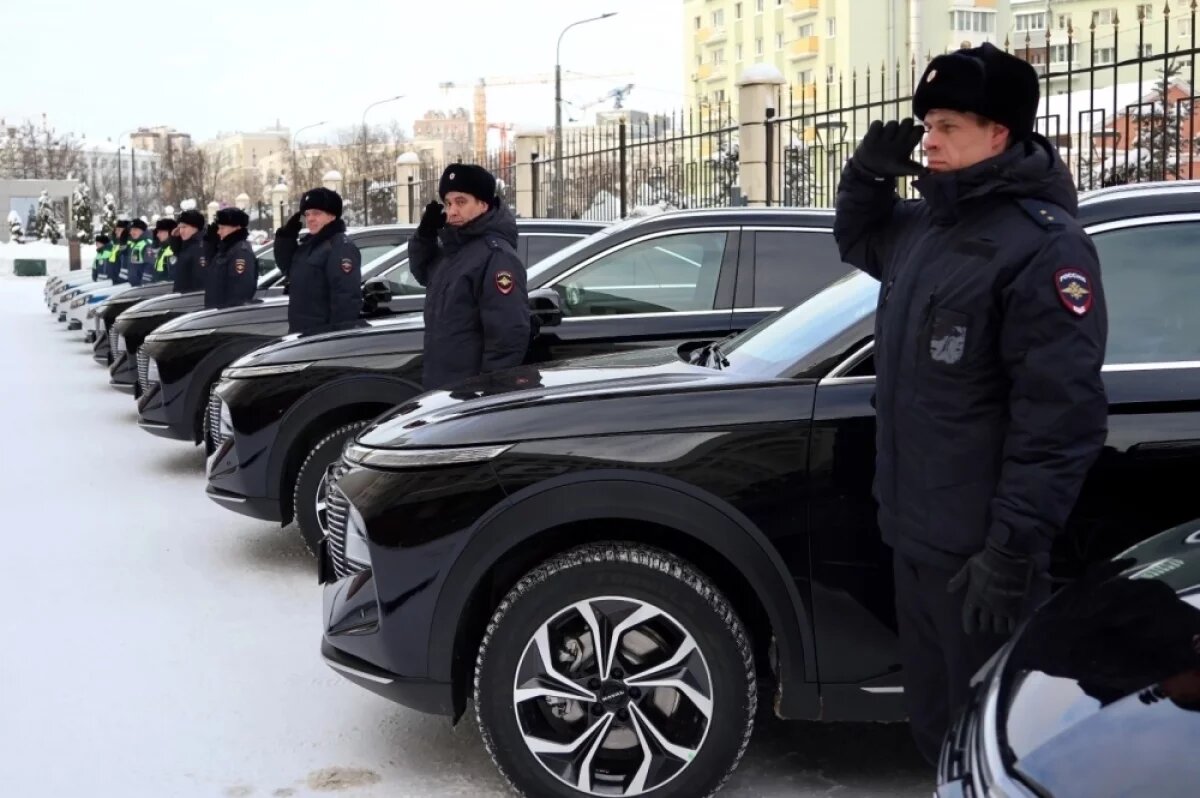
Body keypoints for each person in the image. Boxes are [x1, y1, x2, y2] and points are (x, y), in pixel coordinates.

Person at [832, 42, 1109, 764]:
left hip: (982, 562)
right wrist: (865, 174)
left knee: (992, 743)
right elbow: (858, 237)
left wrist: (1011, 549)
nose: (929, 140)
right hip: (914, 541)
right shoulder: (928, 228)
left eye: (949, 126)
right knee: (933, 729)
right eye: (927, 125)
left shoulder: (1044, 249)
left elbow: (1060, 418)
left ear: (1001, 134)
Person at [409, 163, 529, 390]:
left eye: (461, 202)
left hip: (471, 393)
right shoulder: (455, 251)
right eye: (448, 203)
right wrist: (424, 235)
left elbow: (507, 335)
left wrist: (488, 392)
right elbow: (423, 273)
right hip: (444, 386)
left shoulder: (496, 256)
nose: (452, 211)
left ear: (483, 204)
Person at [273, 187, 362, 334]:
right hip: (301, 334)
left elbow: (346, 299)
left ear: (332, 216)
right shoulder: (309, 245)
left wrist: (334, 339)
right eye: (307, 214)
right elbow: (288, 268)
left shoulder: (340, 247)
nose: (310, 219)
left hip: (321, 338)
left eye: (316, 213)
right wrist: (286, 237)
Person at [203, 207, 258, 309]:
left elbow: (240, 292)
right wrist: (210, 242)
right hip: (216, 313)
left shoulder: (241, 252)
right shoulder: (226, 250)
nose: (218, 232)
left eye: (222, 228)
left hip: (226, 316)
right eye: (218, 228)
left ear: (237, 227)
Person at [169, 209, 207, 294]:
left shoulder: (200, 248)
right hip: (183, 299)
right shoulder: (187, 245)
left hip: (192, 301)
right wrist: (174, 239)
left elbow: (200, 281)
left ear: (196, 227)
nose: (181, 231)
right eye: (179, 227)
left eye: (184, 227)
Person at [126, 218, 153, 287]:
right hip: (134, 284)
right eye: (131, 230)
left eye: (135, 230)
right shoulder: (133, 244)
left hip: (142, 286)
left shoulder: (147, 244)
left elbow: (150, 264)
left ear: (142, 231)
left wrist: (145, 282)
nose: (132, 232)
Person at [149, 218, 177, 283]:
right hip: (159, 289)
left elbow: (173, 278)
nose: (157, 235)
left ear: (170, 232)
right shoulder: (163, 249)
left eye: (160, 232)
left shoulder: (174, 250)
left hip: (166, 290)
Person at [107, 219, 130, 284]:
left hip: (123, 283)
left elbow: (126, 267)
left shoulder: (127, 245)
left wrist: (119, 280)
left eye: (119, 230)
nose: (116, 232)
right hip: (115, 279)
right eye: (116, 229)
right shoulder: (116, 244)